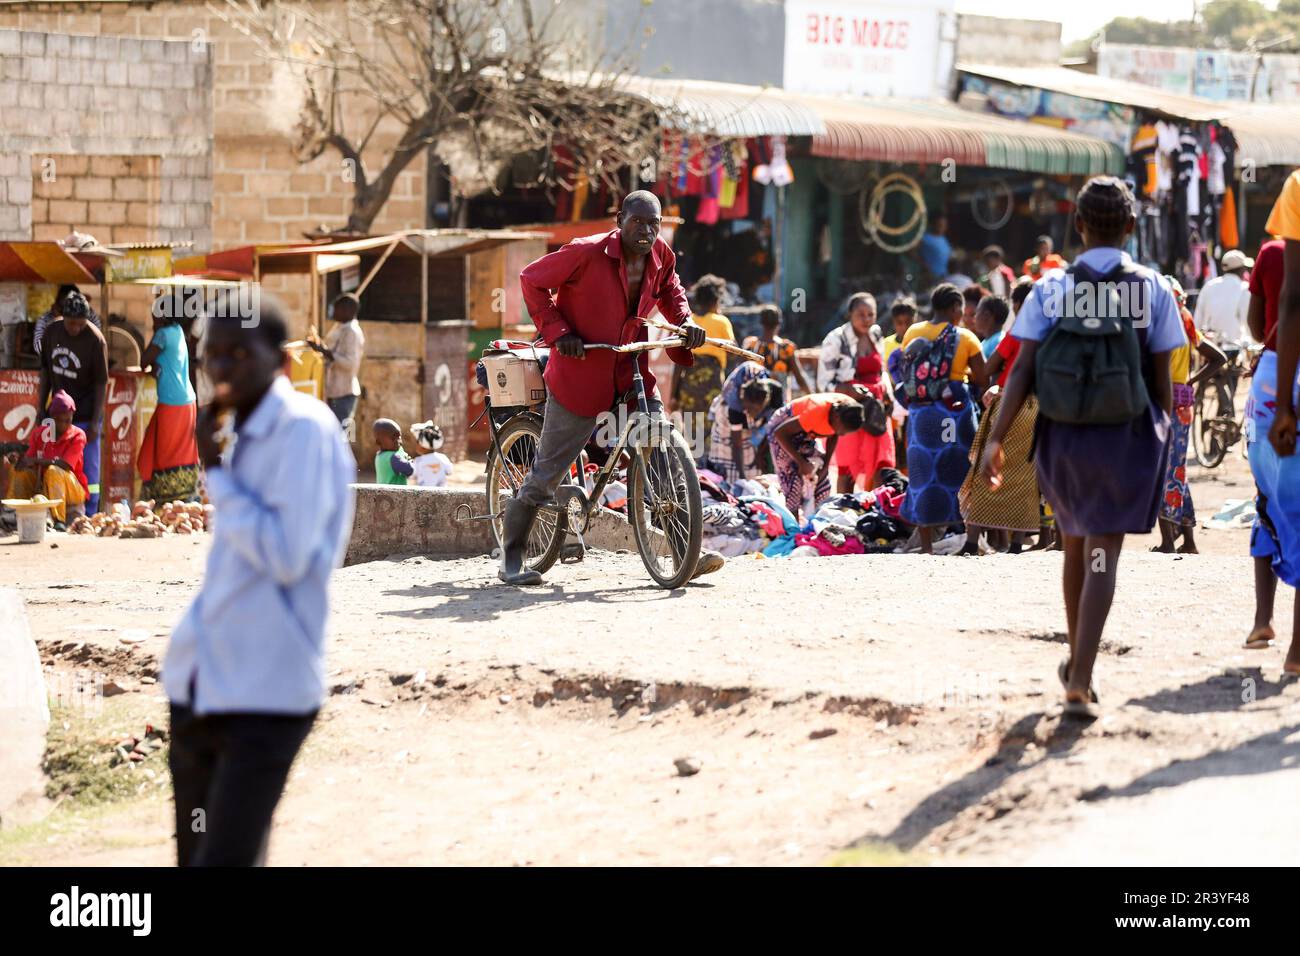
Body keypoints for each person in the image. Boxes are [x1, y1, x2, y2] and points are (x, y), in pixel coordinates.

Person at [982, 176, 1184, 719]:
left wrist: (996, 438)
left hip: (1063, 436)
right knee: (1103, 554)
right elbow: (1162, 380)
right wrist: (1161, 436)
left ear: (1077, 225)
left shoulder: (1050, 288)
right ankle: (1080, 677)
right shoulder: (1152, 288)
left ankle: (1078, 665)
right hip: (1124, 436)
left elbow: (1022, 369)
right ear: (1132, 226)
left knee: (1075, 545)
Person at [164, 293, 356, 866]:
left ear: (282, 361)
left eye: (239, 354)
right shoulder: (240, 432)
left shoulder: (304, 431)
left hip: (267, 693)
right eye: (212, 355)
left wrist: (216, 476)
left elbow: (287, 555)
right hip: (203, 687)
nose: (221, 368)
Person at [505, 190, 716, 586]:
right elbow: (531, 280)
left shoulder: (661, 255)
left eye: (654, 224)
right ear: (620, 221)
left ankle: (684, 553)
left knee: (662, 453)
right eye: (638, 222)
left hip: (630, 368)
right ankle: (511, 558)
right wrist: (559, 332)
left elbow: (671, 290)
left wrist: (686, 322)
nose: (647, 231)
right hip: (581, 374)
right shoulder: (585, 252)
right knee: (547, 473)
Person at [1252, 168, 1300, 675]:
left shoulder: (1297, 186)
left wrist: (1285, 403)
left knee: (1269, 497)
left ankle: (1268, 625)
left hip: (1278, 371)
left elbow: (1289, 301)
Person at [899, 284, 985, 554]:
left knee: (923, 475)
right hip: (954, 411)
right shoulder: (966, 337)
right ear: (955, 308)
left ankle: (926, 546)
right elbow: (983, 378)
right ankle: (970, 540)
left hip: (921, 413)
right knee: (965, 471)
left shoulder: (913, 332)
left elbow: (907, 370)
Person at [1154, 278, 1226, 554]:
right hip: (1182, 404)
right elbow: (1218, 358)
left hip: (1164, 403)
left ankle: (1168, 541)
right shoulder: (1186, 324)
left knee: (1163, 470)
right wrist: (1189, 382)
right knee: (1177, 470)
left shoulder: (1160, 325)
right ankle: (1189, 540)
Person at [1244, 236, 1284, 650]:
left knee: (1266, 497)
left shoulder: (1272, 254)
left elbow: (1257, 329)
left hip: (1271, 384)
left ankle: (1262, 620)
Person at [37, 289, 106, 514]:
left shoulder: (95, 339)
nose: (75, 328)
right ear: (63, 317)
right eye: (71, 323)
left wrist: (95, 421)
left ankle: (90, 513)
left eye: (80, 324)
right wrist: (40, 407)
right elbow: (45, 371)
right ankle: (55, 512)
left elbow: (101, 383)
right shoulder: (51, 332)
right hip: (57, 413)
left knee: (88, 467)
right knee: (52, 461)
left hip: (85, 413)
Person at [766, 392, 865, 519]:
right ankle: (793, 526)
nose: (843, 434)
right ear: (836, 418)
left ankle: (818, 522)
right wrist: (801, 462)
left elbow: (834, 434)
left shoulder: (848, 410)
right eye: (842, 431)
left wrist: (826, 464)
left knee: (821, 479)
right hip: (783, 430)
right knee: (792, 479)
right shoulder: (817, 412)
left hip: (807, 431)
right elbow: (780, 433)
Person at [138, 302, 200, 502]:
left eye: (154, 318)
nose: (152, 322)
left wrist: (153, 365)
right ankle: (183, 497)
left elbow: (143, 361)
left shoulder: (162, 334)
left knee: (164, 453)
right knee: (177, 451)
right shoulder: (178, 331)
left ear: (163, 317)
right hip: (187, 401)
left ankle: (166, 499)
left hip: (172, 403)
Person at [4, 389, 87, 528]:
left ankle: (58, 520)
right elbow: (29, 461)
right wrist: (18, 460)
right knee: (20, 470)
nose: (64, 424)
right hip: (42, 490)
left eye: (68, 420)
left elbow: (65, 465)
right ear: (52, 418)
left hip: (73, 491)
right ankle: (11, 514)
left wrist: (36, 461)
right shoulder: (39, 434)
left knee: (54, 471)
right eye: (60, 420)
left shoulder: (78, 435)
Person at [670, 274, 735, 424]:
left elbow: (679, 364)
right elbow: (733, 353)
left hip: (689, 386)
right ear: (716, 300)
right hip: (712, 386)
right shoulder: (721, 322)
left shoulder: (689, 323)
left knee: (692, 432)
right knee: (711, 428)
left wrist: (673, 395)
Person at [704, 371, 783, 483]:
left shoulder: (775, 398)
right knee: (726, 469)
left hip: (756, 424)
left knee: (752, 468)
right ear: (743, 402)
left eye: (756, 410)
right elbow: (737, 444)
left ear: (765, 403)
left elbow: (772, 429)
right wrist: (741, 477)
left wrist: (760, 453)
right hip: (727, 427)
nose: (751, 413)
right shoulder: (734, 407)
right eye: (748, 409)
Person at [319, 293, 365, 434]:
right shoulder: (340, 327)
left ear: (348, 310)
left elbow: (350, 363)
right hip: (334, 391)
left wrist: (326, 352)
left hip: (345, 392)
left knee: (342, 436)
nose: (334, 312)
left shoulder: (352, 332)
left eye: (337, 309)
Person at [742, 305, 812, 397]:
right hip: (779, 402)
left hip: (754, 400)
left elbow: (742, 372)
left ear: (761, 322)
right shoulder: (786, 348)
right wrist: (812, 396)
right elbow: (800, 379)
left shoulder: (750, 345)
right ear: (779, 323)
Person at [1195, 249, 1253, 351]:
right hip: (1235, 350)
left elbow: (1198, 321)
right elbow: (1248, 324)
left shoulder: (1209, 286)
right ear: (1241, 269)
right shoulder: (1244, 288)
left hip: (1210, 349)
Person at [31, 283, 101, 357]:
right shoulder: (46, 319)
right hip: (56, 360)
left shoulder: (89, 316)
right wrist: (57, 323)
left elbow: (97, 342)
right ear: (57, 305)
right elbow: (39, 348)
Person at [409, 421, 454, 487]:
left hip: (423, 492)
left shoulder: (418, 461)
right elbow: (449, 471)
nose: (415, 445)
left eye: (417, 442)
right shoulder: (442, 458)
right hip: (441, 491)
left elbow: (412, 474)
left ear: (422, 446)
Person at [373, 418, 413, 485]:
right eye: (393, 437)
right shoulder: (393, 457)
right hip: (394, 492)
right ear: (379, 442)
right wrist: (409, 461)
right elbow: (409, 470)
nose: (398, 441)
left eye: (399, 437)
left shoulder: (379, 456)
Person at [919, 215, 951, 281]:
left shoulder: (943, 239)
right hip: (930, 277)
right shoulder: (925, 238)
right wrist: (923, 264)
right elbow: (910, 251)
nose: (943, 227)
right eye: (940, 225)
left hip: (943, 276)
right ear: (933, 225)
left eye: (945, 225)